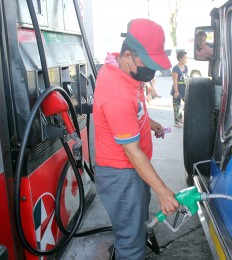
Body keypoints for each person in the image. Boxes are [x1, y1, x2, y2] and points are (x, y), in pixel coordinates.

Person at [93, 18, 180, 259]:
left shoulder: (119, 68)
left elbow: (133, 109)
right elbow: (132, 152)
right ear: (128, 55)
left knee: (133, 230)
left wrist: (148, 123)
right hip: (123, 175)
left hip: (132, 172)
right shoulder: (117, 93)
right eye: (148, 63)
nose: (151, 71)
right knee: (131, 247)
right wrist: (162, 190)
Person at [171, 50, 188, 128]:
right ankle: (176, 122)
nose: (186, 59)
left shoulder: (186, 67)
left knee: (188, 105)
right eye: (185, 58)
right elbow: (175, 81)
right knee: (176, 107)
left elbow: (187, 79)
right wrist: (176, 92)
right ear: (180, 59)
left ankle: (180, 117)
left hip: (185, 90)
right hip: (177, 89)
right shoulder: (175, 68)